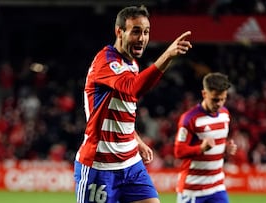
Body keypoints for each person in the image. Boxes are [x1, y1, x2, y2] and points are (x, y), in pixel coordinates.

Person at [74, 5, 192, 203]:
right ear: (119, 32)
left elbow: (123, 111)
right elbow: (131, 88)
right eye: (136, 31)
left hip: (131, 163)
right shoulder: (105, 62)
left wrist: (136, 140)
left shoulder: (132, 64)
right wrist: (167, 56)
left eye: (146, 32)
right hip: (100, 166)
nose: (142, 38)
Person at [174, 72, 237, 203]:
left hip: (217, 185)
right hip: (192, 189)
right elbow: (178, 152)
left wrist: (225, 148)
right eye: (215, 99)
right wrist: (201, 148)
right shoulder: (189, 119)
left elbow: (217, 142)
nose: (219, 104)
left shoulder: (225, 114)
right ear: (204, 94)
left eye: (223, 99)